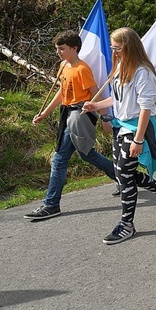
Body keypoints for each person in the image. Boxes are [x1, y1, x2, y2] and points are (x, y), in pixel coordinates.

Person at [83, 27, 156, 244]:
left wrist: (138, 139)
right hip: (121, 126)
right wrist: (96, 104)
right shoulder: (121, 67)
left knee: (124, 177)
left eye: (118, 48)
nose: (114, 52)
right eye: (113, 48)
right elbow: (119, 100)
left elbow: (145, 108)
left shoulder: (143, 72)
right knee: (122, 174)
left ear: (129, 47)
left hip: (136, 129)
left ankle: (127, 224)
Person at [24, 31, 118, 221]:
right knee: (87, 154)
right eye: (57, 49)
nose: (58, 52)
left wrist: (105, 118)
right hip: (67, 114)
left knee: (59, 159)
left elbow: (95, 93)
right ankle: (124, 178)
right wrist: (45, 113)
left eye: (62, 48)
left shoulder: (82, 69)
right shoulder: (63, 66)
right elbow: (61, 92)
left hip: (80, 115)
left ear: (74, 48)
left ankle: (51, 204)